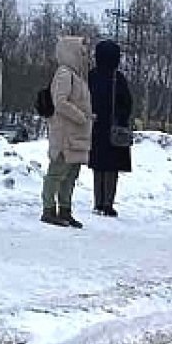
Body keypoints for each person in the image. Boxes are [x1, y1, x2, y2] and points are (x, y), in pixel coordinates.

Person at [42, 35, 93, 228]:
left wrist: (88, 117)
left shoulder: (78, 77)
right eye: (82, 53)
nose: (85, 58)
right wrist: (80, 116)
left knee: (71, 176)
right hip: (66, 135)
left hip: (78, 135)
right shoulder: (64, 74)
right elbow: (60, 102)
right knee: (57, 173)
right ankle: (48, 209)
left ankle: (65, 210)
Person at [87, 39, 132, 216]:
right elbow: (127, 103)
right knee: (111, 167)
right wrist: (121, 119)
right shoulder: (117, 78)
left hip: (95, 126)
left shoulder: (91, 76)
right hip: (114, 128)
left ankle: (98, 201)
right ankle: (108, 203)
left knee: (98, 166)